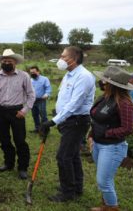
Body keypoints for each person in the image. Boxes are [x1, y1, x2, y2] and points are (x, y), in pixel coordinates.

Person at [40, 46, 95, 202]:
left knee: (63, 156)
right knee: (73, 155)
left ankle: (67, 192)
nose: (60, 59)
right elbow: (64, 98)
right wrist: (58, 114)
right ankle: (76, 186)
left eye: (63, 56)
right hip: (68, 120)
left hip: (76, 121)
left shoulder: (84, 76)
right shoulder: (69, 75)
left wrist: (53, 121)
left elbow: (74, 104)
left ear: (74, 58)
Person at [88, 66, 133, 211]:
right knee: (105, 179)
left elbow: (128, 128)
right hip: (98, 144)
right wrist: (92, 135)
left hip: (113, 147)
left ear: (112, 85)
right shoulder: (104, 97)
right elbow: (97, 119)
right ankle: (106, 205)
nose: (102, 82)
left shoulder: (124, 103)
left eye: (105, 80)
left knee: (103, 181)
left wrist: (106, 133)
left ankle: (112, 208)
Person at [0, 49, 35, 179]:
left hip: (17, 112)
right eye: (4, 61)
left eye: (9, 61)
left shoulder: (24, 76)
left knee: (20, 140)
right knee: (4, 140)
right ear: (1, 62)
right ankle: (8, 163)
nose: (7, 63)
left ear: (15, 62)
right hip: (0, 111)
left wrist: (24, 111)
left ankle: (22, 167)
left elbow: (31, 95)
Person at [29, 66, 51, 133]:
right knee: (35, 115)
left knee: (43, 115)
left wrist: (47, 94)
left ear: (38, 71)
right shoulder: (30, 80)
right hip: (33, 100)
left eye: (34, 72)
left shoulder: (45, 79)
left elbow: (48, 88)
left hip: (41, 100)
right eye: (31, 72)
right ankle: (37, 129)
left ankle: (45, 130)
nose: (32, 73)